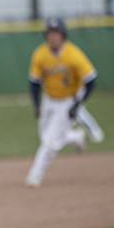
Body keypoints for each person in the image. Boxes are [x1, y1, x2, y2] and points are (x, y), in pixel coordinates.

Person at [25, 18, 104, 187]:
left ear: (63, 35)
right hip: (49, 99)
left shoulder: (74, 55)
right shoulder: (40, 54)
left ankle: (35, 175)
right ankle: (75, 137)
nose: (53, 37)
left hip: (67, 101)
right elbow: (34, 82)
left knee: (49, 142)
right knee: (45, 136)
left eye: (56, 34)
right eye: (50, 34)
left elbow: (91, 81)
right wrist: (37, 105)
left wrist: (77, 104)